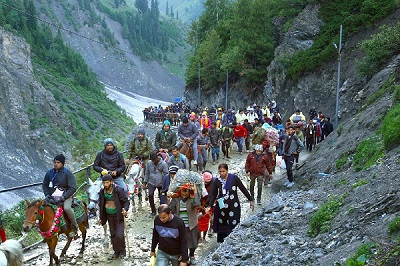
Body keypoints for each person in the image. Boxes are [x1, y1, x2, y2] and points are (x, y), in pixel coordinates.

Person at [206, 164, 254, 243]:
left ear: (227, 171)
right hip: (222, 206)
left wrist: (250, 199)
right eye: (220, 172)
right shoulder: (217, 181)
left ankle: (233, 240)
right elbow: (214, 194)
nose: (221, 173)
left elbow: (242, 188)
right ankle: (222, 242)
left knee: (233, 221)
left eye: (223, 171)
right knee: (222, 222)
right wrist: (210, 206)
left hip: (233, 205)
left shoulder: (234, 178)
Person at [43, 154, 78, 237]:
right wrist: (47, 194)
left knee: (67, 208)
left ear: (62, 163)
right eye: (54, 162)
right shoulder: (49, 173)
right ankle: (46, 230)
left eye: (58, 162)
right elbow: (45, 185)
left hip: (65, 196)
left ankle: (75, 227)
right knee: (42, 208)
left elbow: (72, 188)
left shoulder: (68, 173)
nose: (56, 164)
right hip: (52, 196)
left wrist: (63, 197)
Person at [98, 174, 130, 259]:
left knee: (119, 234)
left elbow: (126, 202)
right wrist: (101, 218)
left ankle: (123, 250)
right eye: (104, 183)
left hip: (118, 215)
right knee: (113, 234)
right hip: (109, 216)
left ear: (111, 182)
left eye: (107, 182)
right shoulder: (102, 192)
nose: (105, 185)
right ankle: (116, 251)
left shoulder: (119, 190)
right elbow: (101, 205)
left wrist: (125, 210)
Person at [169, 184, 201, 265]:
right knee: (182, 242)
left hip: (192, 224)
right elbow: (171, 210)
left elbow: (197, 204)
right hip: (180, 225)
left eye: (186, 193)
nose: (184, 195)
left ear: (189, 192)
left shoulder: (192, 198)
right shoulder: (176, 199)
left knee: (193, 242)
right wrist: (169, 199)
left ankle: (192, 255)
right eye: (182, 193)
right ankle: (184, 256)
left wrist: (195, 191)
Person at [198, 171, 215, 243]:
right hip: (200, 206)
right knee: (198, 222)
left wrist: (209, 205)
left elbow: (213, 196)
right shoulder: (199, 185)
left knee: (207, 222)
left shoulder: (213, 186)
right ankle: (199, 237)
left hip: (209, 206)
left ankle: (204, 237)